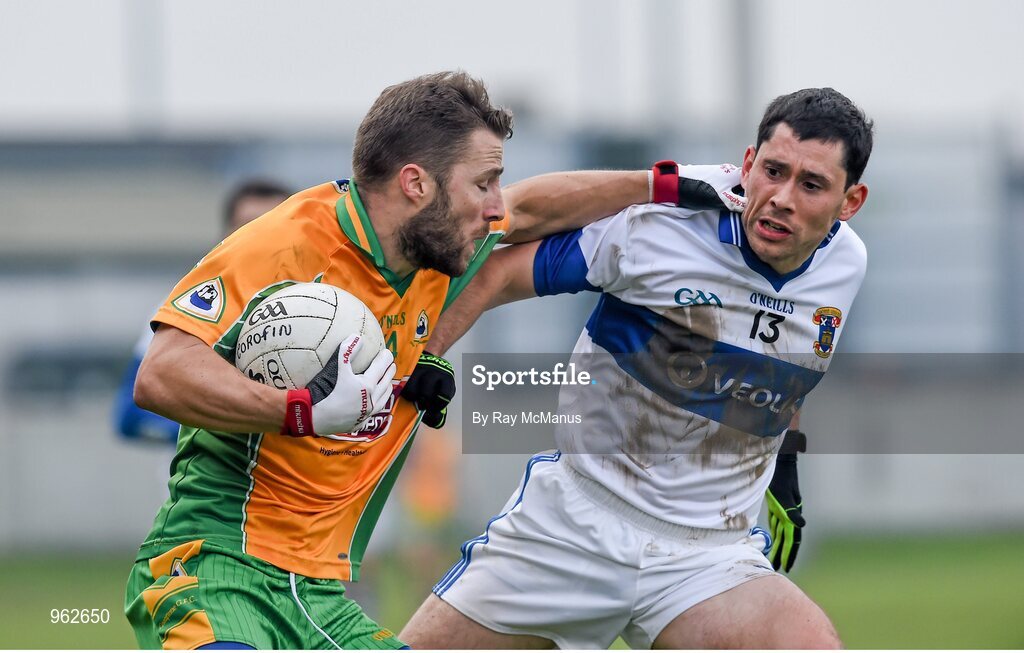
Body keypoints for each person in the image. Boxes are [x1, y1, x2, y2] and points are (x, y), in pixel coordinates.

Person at [123, 70, 719, 650]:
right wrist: (300, 411)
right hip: (213, 567)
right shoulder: (286, 245)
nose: (495, 208)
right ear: (416, 184)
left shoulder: (434, 250)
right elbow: (160, 373)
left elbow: (534, 207)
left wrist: (663, 185)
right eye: (483, 184)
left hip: (318, 593)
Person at [399, 87, 873, 649]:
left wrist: (785, 471)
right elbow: (501, 265)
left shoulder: (846, 266)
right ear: (748, 164)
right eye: (773, 171)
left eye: (812, 185)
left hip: (710, 557)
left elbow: (782, 373)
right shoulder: (661, 225)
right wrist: (426, 354)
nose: (781, 197)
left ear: (851, 201)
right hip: (574, 525)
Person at [113, 180, 292, 446]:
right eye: (249, 227)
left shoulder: (324, 308)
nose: (261, 239)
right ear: (226, 235)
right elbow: (130, 416)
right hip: (202, 484)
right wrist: (227, 426)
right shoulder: (190, 306)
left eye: (273, 226)